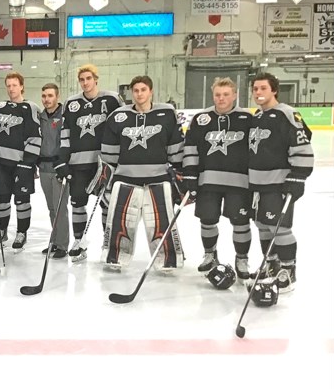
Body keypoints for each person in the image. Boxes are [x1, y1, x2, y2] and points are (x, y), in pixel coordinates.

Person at [100, 75, 185, 271]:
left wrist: (180, 175)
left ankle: (167, 259)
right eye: (136, 90)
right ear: (131, 92)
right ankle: (116, 256)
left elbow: (175, 146)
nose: (139, 94)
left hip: (158, 178)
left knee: (160, 222)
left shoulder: (166, 113)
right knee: (121, 222)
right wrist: (107, 179)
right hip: (125, 178)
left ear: (151, 91)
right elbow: (109, 151)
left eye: (143, 90)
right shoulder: (118, 116)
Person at [247, 72, 314, 297]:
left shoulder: (287, 114)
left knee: (280, 228)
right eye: (255, 89)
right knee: (262, 225)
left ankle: (288, 271)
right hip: (257, 183)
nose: (258, 93)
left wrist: (298, 177)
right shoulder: (257, 116)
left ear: (274, 90)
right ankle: (272, 264)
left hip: (278, 183)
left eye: (263, 88)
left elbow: (303, 143)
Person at [182, 77, 253, 279]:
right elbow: (191, 148)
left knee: (240, 222)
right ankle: (210, 254)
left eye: (226, 94)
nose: (221, 99)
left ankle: (242, 258)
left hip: (239, 183)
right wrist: (189, 174)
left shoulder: (247, 119)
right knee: (208, 219)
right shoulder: (201, 119)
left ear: (235, 95)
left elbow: (255, 151)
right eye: (217, 95)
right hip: (208, 181)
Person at [55, 64, 123, 262]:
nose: (85, 83)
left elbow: (122, 128)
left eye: (88, 78)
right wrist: (62, 161)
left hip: (105, 163)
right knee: (77, 203)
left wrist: (119, 158)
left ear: (96, 79)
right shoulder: (71, 103)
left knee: (107, 204)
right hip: (78, 164)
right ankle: (79, 242)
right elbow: (65, 134)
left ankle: (108, 244)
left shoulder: (111, 100)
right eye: (82, 79)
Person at [0, 71, 41, 250]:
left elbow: (35, 137)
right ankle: (2, 230)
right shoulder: (1, 106)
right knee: (1, 199)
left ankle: (21, 232)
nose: (11, 89)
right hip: (0, 164)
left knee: (22, 200)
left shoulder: (30, 108)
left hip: (20, 164)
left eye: (14, 85)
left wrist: (27, 163)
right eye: (8, 85)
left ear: (21, 86)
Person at [37, 83, 69, 259]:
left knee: (60, 208)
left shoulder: (64, 116)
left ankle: (63, 244)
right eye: (44, 96)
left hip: (59, 169)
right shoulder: (40, 117)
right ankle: (55, 241)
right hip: (44, 168)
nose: (46, 99)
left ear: (57, 96)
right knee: (51, 208)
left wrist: (64, 163)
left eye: (50, 95)